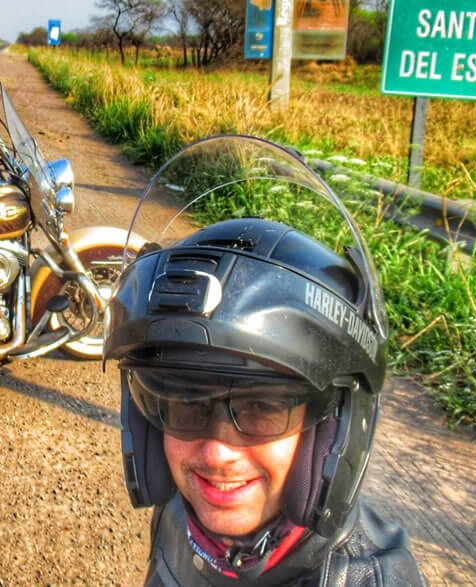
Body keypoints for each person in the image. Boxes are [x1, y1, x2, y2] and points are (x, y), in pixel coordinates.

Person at [105, 214, 425, 585]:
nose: (215, 455)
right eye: (187, 403)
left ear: (332, 428)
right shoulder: (179, 511)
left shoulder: (369, 579)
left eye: (262, 408)